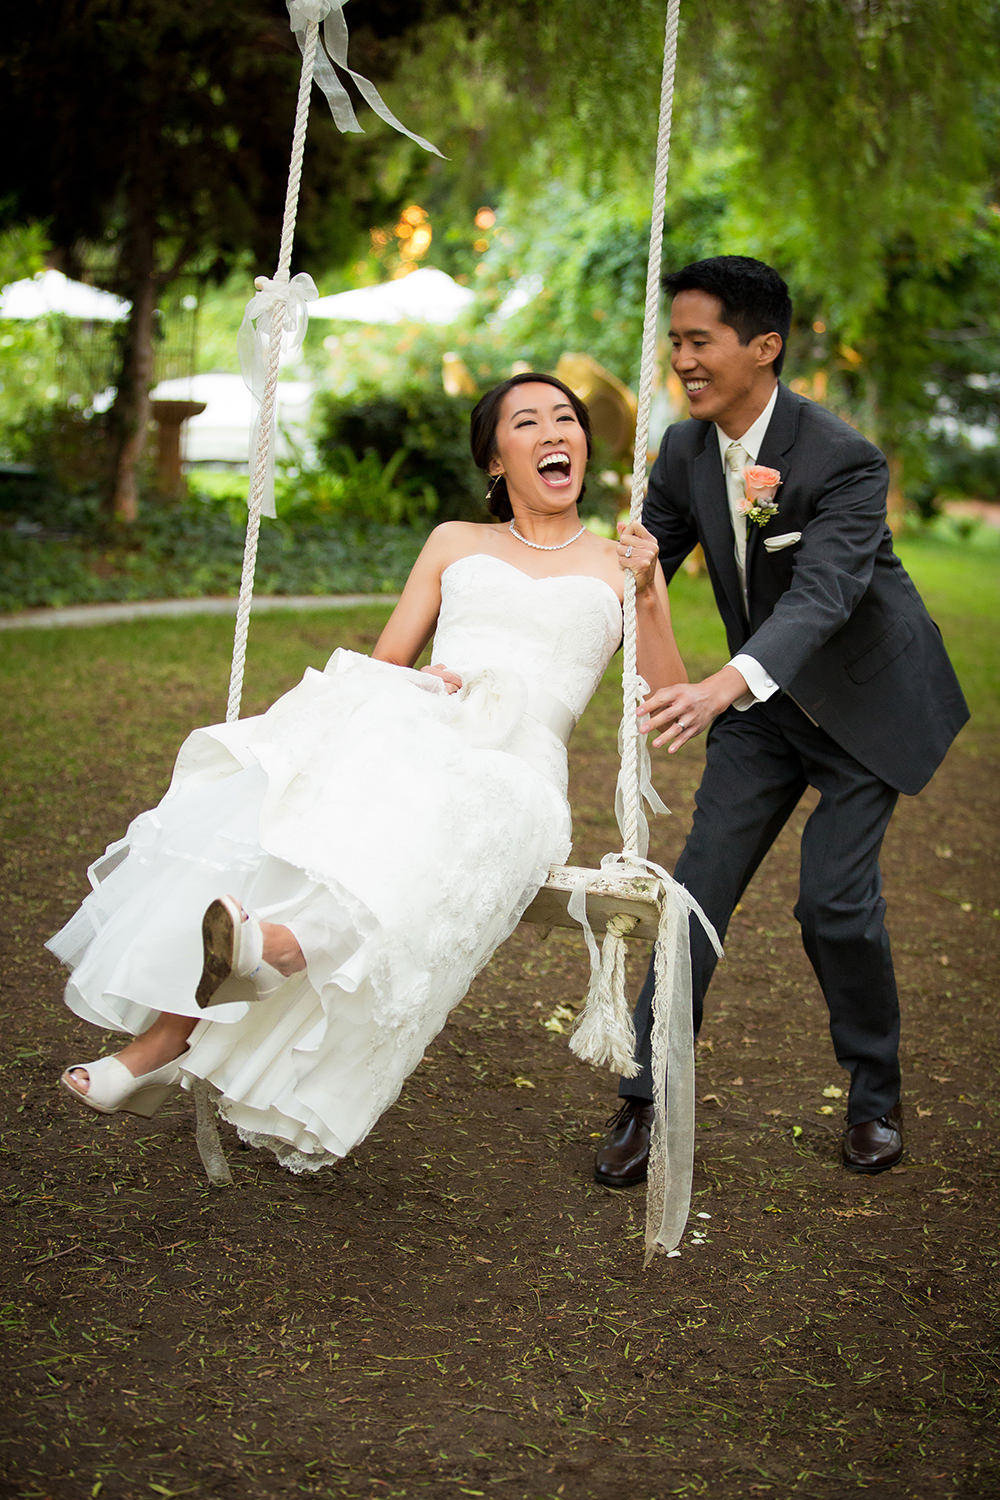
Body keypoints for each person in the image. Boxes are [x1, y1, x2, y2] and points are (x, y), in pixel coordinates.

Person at [51, 373, 685, 1174]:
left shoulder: (617, 563)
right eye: (528, 422)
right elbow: (386, 666)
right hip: (425, 728)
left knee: (421, 814)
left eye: (567, 419)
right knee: (312, 801)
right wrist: (429, 686)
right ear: (496, 458)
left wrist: (653, 591)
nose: (555, 432)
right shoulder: (455, 542)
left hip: (517, 774)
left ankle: (204, 1004)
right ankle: (205, 1000)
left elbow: (666, 702)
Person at [594, 256, 969, 1187]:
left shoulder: (841, 458)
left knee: (834, 906)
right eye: (674, 341)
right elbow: (638, 571)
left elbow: (825, 597)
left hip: (862, 707)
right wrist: (607, 566)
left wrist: (723, 684)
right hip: (765, 714)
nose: (680, 359)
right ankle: (643, 1096)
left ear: (762, 347)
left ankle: (875, 1094)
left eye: (698, 341)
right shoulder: (681, 453)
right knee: (694, 901)